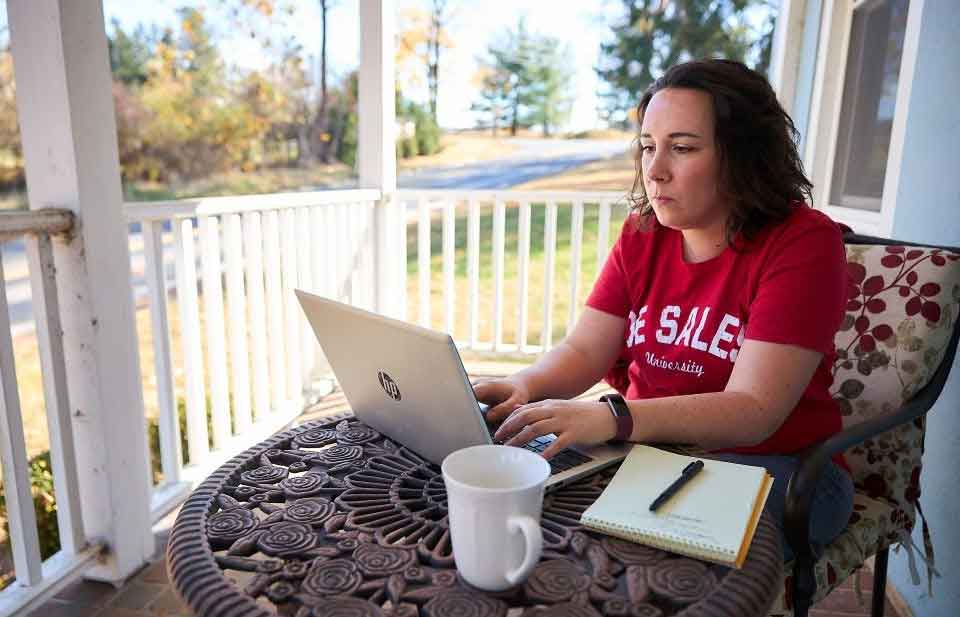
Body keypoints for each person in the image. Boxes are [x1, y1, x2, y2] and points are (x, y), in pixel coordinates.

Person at [473, 59, 854, 561]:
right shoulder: (642, 234)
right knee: (515, 509)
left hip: (781, 468)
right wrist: (528, 385)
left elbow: (754, 411)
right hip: (649, 452)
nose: (654, 170)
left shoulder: (803, 243)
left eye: (683, 147)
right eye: (649, 146)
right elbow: (585, 349)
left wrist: (613, 418)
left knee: (637, 561)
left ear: (744, 155)